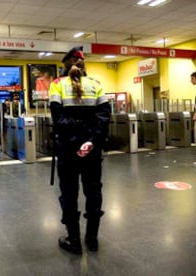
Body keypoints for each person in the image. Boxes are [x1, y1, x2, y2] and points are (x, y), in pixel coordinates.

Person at [49, 46, 111, 255]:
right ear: (84, 64)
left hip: (68, 149)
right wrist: (90, 142)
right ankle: (92, 240)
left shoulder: (57, 85)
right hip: (92, 151)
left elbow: (59, 119)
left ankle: (74, 241)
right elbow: (104, 118)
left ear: (65, 64)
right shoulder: (96, 85)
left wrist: (75, 142)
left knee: (69, 192)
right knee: (93, 190)